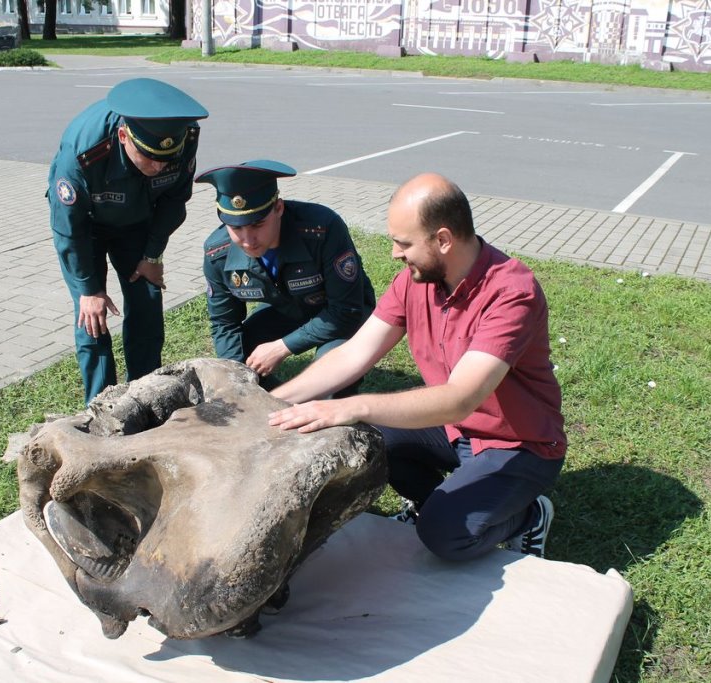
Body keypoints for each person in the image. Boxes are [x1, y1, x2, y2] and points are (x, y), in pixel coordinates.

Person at [268, 173, 567, 561]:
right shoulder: (415, 280)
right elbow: (355, 353)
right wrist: (273, 402)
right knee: (364, 441)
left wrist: (353, 405)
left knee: (444, 537)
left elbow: (461, 398)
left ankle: (528, 515)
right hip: (454, 429)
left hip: (517, 443)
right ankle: (434, 502)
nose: (395, 252)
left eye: (403, 243)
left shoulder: (511, 293)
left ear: (443, 240)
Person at [48, 78, 208, 404]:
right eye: (149, 158)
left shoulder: (182, 134)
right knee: (91, 317)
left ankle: (147, 396)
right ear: (124, 137)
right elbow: (68, 229)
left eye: (166, 159)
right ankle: (101, 405)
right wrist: (88, 289)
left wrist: (152, 255)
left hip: (137, 222)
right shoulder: (83, 153)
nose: (159, 166)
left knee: (147, 302)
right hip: (86, 228)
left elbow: (175, 200)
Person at [197, 160, 375, 394]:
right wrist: (236, 378)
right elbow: (225, 323)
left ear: (279, 208)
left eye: (258, 224)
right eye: (236, 228)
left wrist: (282, 347)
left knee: (332, 370)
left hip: (340, 312)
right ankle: (274, 402)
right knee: (243, 353)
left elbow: (346, 311)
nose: (248, 240)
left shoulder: (323, 229)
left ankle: (337, 414)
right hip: (288, 311)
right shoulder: (217, 253)